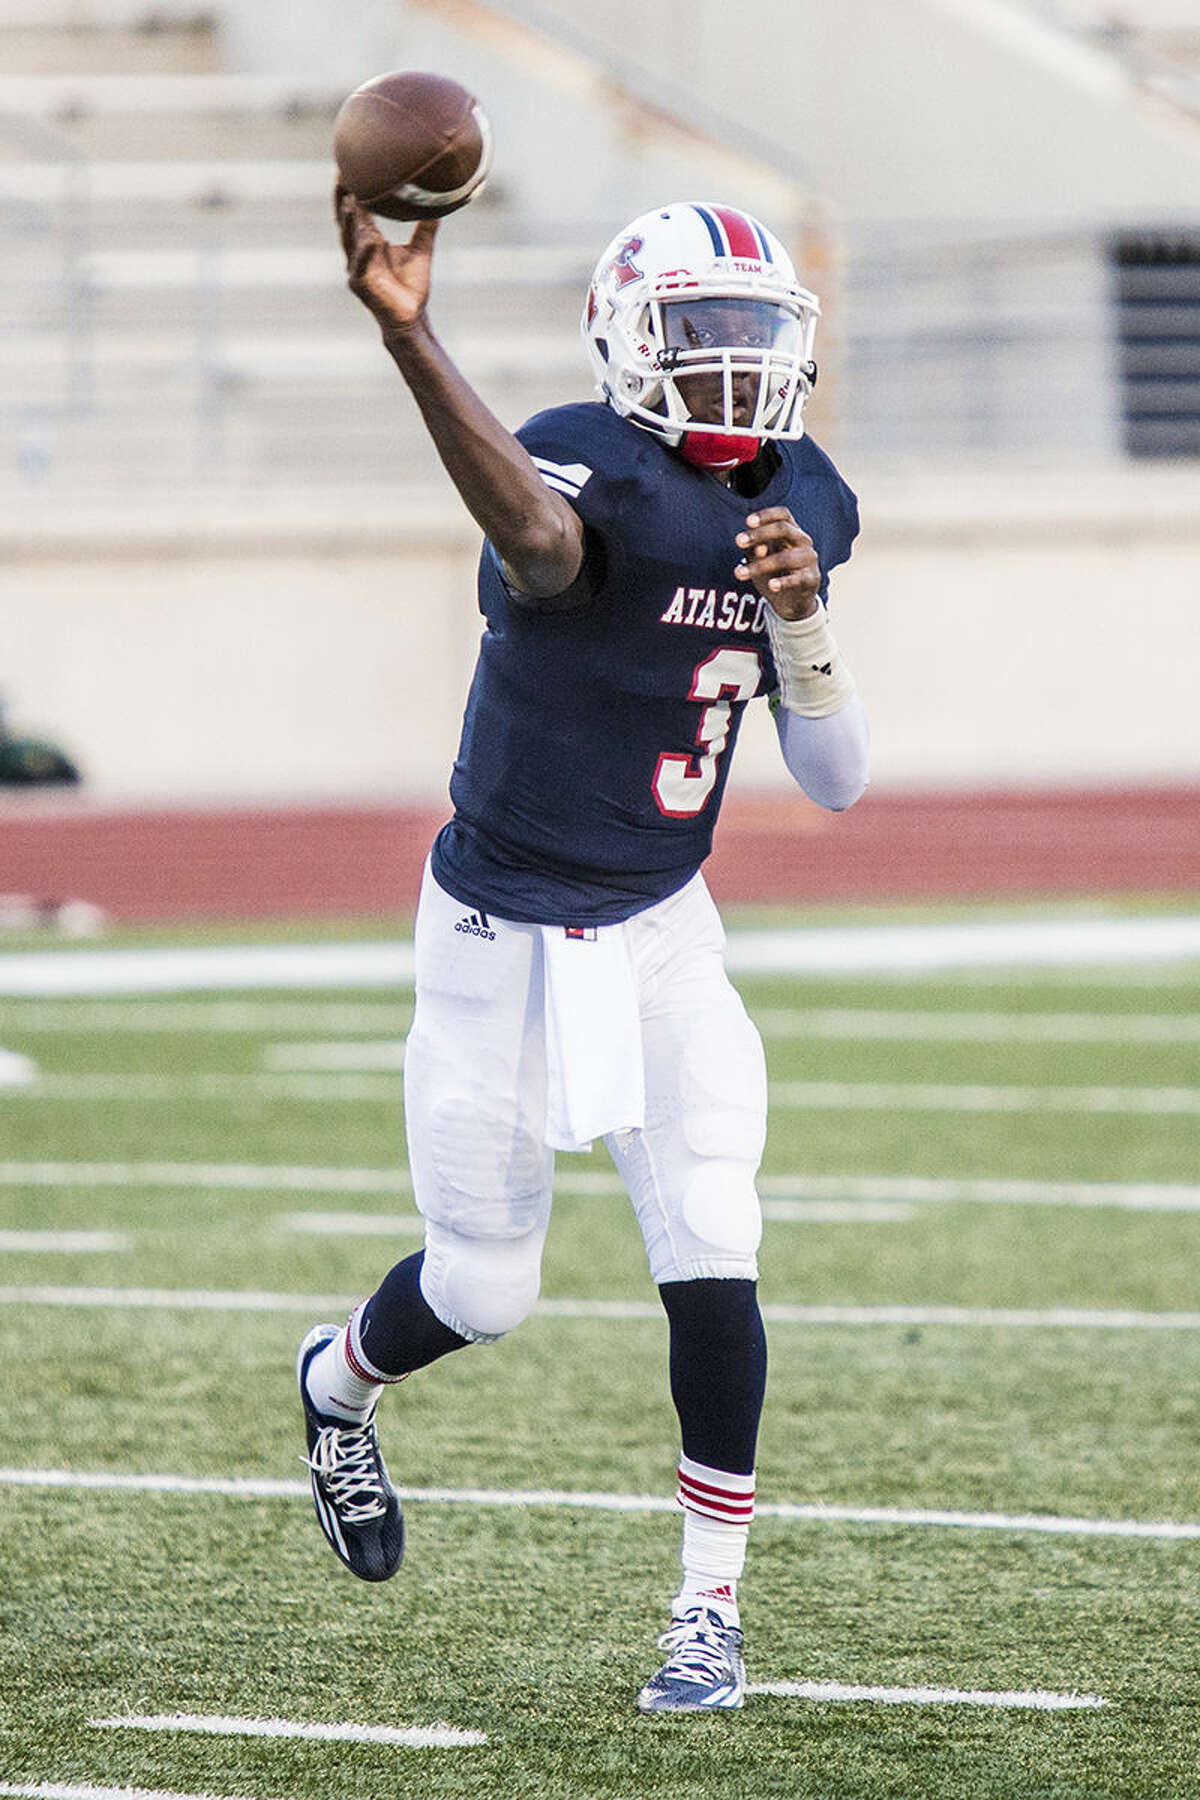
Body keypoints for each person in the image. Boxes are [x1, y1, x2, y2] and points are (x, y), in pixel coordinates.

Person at [297, 191, 870, 1713]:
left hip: (664, 925)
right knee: (486, 1290)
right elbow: (545, 547)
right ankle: (337, 1383)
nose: (738, 367)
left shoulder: (809, 498)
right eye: (703, 336)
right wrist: (411, 335)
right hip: (501, 927)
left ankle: (708, 1612)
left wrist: (805, 622)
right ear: (627, 346)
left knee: (713, 1237)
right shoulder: (582, 469)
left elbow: (834, 780)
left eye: (758, 336)